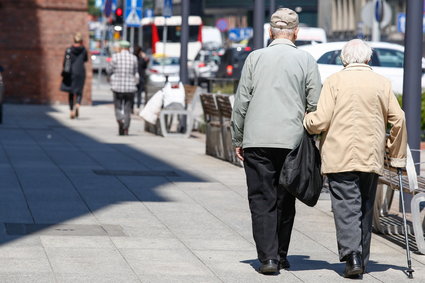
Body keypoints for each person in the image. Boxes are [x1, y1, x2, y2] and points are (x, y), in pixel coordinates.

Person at [304, 39, 407, 279]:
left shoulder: (334, 81)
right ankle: (363, 259)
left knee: (345, 206)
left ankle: (353, 257)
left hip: (339, 155)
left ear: (344, 59)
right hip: (370, 155)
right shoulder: (382, 83)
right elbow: (399, 119)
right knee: (364, 205)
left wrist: (307, 120)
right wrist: (396, 153)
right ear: (369, 59)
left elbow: (321, 121)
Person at [231, 8, 321, 275]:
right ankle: (281, 254)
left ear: (270, 32)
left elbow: (242, 102)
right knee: (286, 198)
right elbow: (315, 104)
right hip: (293, 141)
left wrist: (238, 137)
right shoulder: (306, 60)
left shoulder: (255, 58)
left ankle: (268, 258)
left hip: (257, 139)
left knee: (261, 198)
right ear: (296, 32)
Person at [108, 40, 139, 136]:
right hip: (130, 87)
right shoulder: (133, 58)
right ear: (129, 48)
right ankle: (126, 128)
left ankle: (120, 118)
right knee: (127, 108)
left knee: (117, 106)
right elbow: (135, 72)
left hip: (117, 86)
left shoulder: (115, 57)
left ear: (120, 47)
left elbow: (109, 70)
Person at [60, 32, 88, 119]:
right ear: (81, 41)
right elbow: (85, 59)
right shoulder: (83, 50)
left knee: (71, 92)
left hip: (71, 72)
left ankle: (71, 110)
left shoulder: (69, 50)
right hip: (80, 71)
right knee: (79, 90)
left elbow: (65, 62)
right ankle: (78, 105)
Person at [133, 46, 149, 112]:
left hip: (133, 77)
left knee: (133, 93)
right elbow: (145, 66)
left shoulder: (133, 58)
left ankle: (132, 107)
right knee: (139, 93)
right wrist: (145, 57)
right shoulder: (141, 59)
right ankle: (138, 106)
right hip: (141, 77)